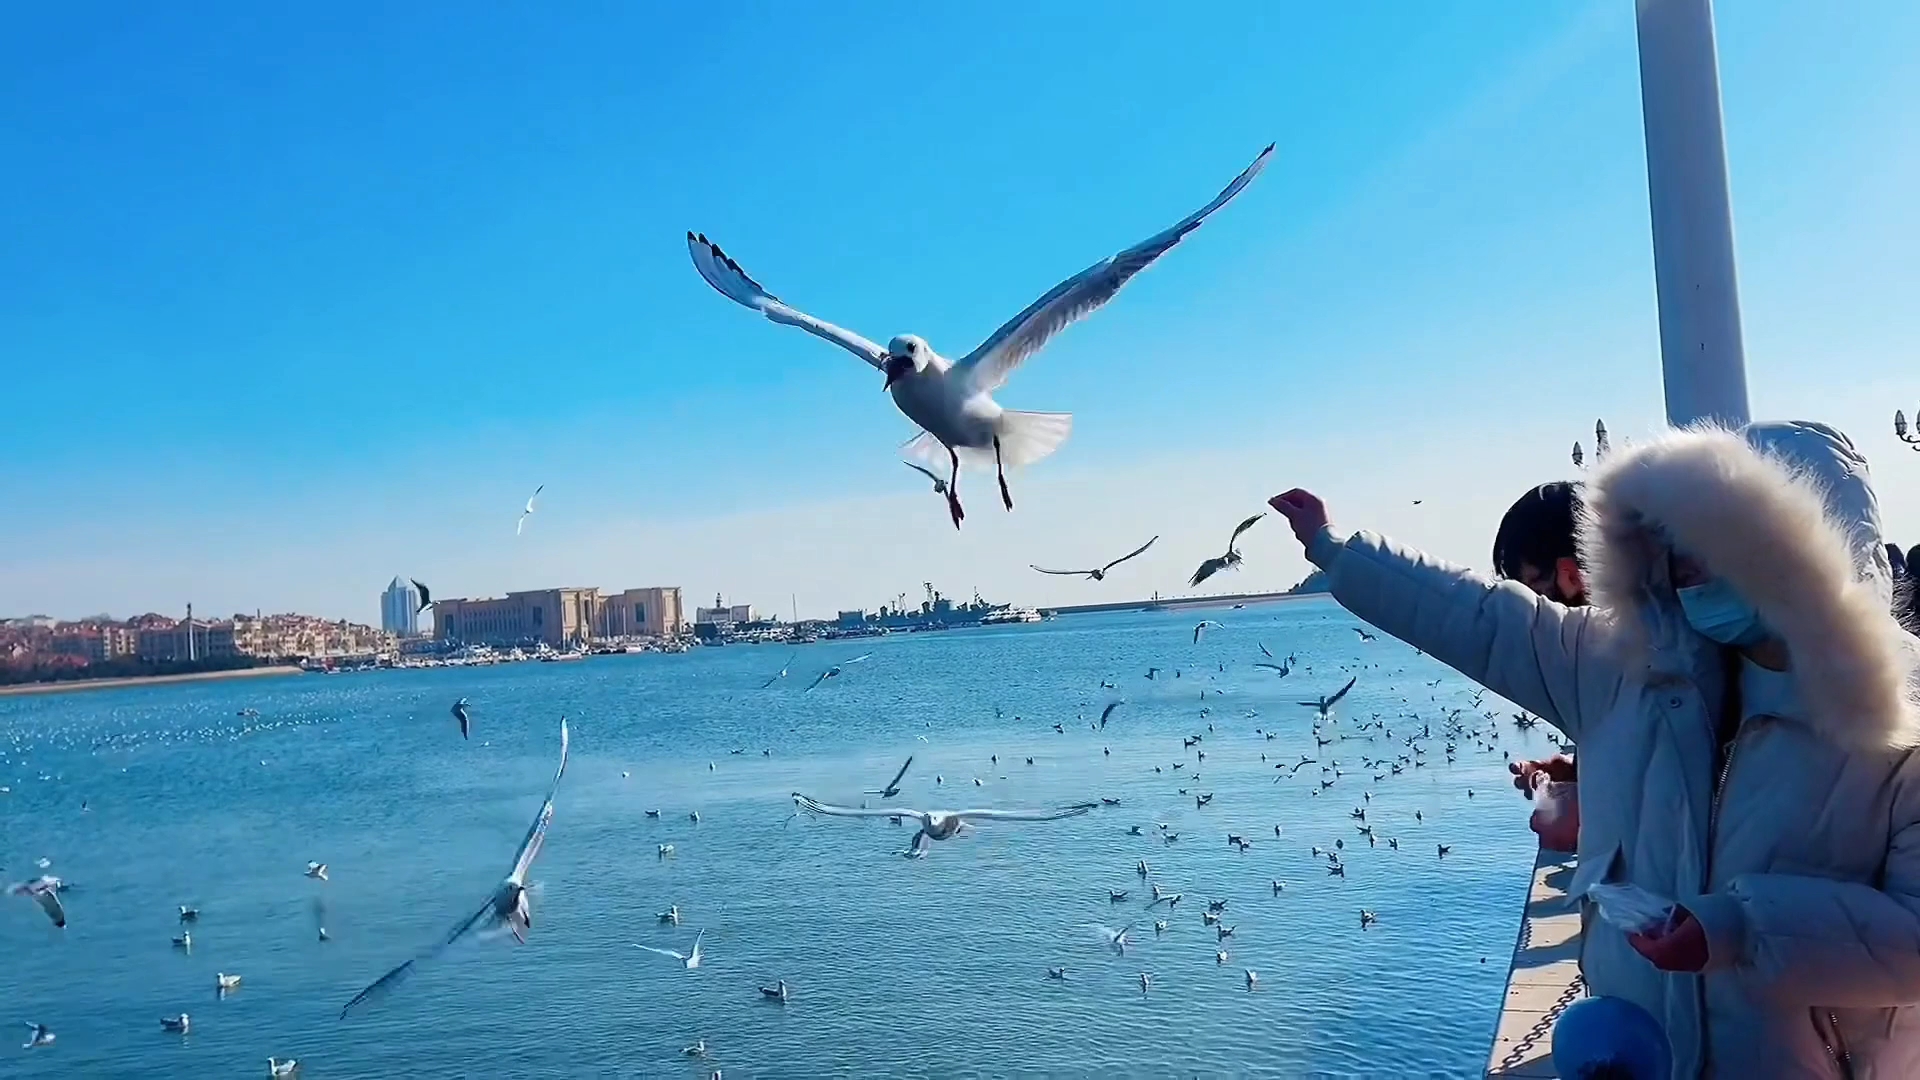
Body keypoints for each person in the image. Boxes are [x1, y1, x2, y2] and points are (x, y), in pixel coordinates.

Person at [1269, 420, 1920, 1077]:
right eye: (1677, 549)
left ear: (1798, 554)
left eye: (1712, 548)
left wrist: (1738, 928)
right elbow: (1481, 620)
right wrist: (1338, 550)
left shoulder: (1903, 718)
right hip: (1633, 1053)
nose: (1688, 574)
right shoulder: (1613, 662)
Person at [1492, 481, 1588, 850]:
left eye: (1537, 583)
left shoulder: (1661, 660)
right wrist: (1575, 774)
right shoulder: (1597, 659)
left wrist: (1593, 815)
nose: (1536, 607)